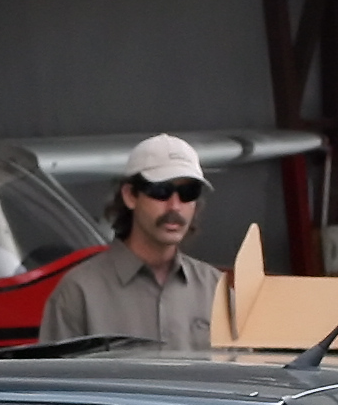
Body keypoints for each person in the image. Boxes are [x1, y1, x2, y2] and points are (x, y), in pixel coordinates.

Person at [39, 134, 223, 348]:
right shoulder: (77, 292)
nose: (175, 206)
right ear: (130, 195)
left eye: (188, 192)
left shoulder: (217, 290)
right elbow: (55, 369)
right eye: (161, 191)